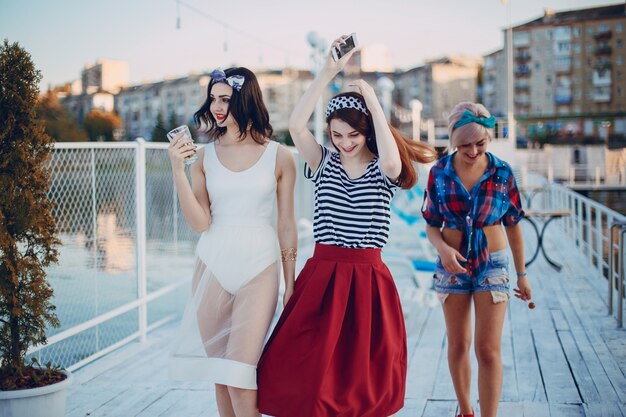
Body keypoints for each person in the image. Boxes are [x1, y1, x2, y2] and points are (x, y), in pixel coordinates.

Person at [257, 36, 437, 417]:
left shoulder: (383, 168)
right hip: (322, 275)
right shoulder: (324, 162)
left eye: (353, 135)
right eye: (336, 135)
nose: (344, 143)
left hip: (367, 276)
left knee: (361, 379)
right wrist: (327, 72)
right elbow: (294, 125)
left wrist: (371, 99)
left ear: (368, 130)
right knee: (307, 372)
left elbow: (391, 161)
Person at [167, 67, 297, 417]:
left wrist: (291, 281)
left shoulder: (279, 155)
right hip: (212, 266)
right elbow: (200, 223)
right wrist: (178, 171)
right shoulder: (204, 157)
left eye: (225, 98)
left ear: (245, 98)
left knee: (240, 378)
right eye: (212, 98)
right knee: (221, 378)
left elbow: (286, 224)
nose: (217, 106)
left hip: (260, 267)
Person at [421, 102, 532, 417]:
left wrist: (522, 275)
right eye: (464, 144)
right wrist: (443, 250)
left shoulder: (502, 173)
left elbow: (514, 226)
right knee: (457, 345)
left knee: (487, 349)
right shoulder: (439, 173)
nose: (472, 150)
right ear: (454, 138)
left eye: (480, 143)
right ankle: (466, 411)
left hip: (493, 264)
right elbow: (430, 223)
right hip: (452, 266)